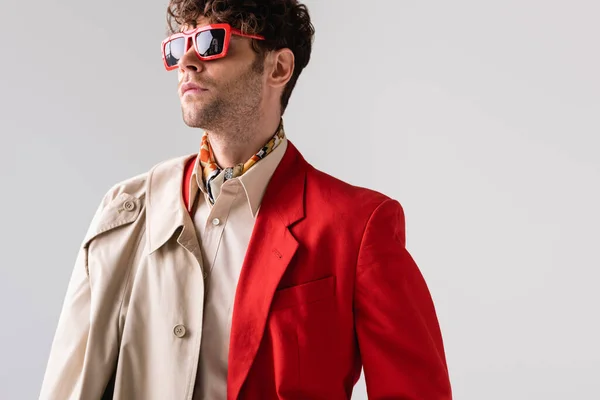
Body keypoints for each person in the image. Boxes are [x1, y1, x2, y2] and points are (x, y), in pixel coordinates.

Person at [39, 1, 452, 399]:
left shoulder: (358, 227)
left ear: (278, 67)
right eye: (178, 47)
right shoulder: (127, 211)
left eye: (210, 43)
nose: (187, 62)